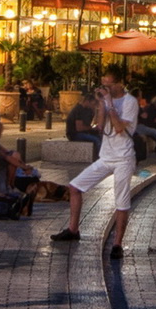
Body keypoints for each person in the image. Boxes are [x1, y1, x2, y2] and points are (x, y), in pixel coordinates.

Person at [57, 70, 139, 248]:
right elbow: (101, 126)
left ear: (120, 83)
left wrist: (110, 103)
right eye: (103, 84)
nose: (106, 88)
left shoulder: (130, 102)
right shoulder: (105, 101)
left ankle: (117, 244)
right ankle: (73, 230)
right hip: (106, 156)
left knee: (121, 201)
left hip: (123, 158)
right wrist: (101, 104)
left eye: (109, 85)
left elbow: (118, 128)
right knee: (74, 187)